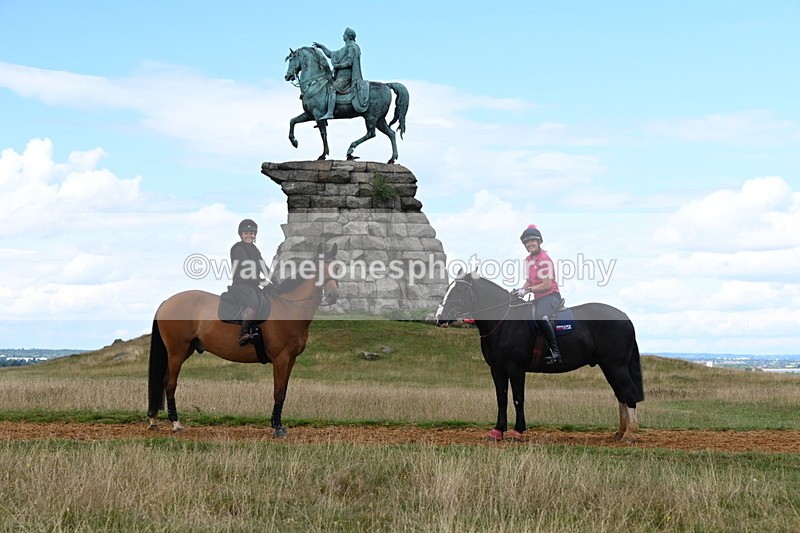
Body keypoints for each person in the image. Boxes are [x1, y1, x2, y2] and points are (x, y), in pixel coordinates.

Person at [517, 224, 562, 364]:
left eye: (532, 241)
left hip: (550, 295)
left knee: (541, 317)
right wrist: (520, 291)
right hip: (538, 297)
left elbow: (546, 285)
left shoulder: (544, 260)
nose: (529, 244)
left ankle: (555, 352)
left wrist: (528, 290)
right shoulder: (528, 260)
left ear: (539, 242)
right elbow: (529, 281)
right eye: (527, 242)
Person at [313, 27, 369, 119]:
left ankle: (330, 113)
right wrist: (322, 47)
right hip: (340, 76)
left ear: (348, 36)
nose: (342, 36)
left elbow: (350, 62)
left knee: (332, 88)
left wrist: (338, 66)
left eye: (344, 34)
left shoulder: (353, 47)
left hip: (346, 77)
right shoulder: (345, 48)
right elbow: (331, 54)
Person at [230, 219, 269, 346]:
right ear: (241, 234)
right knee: (254, 304)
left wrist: (274, 280)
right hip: (241, 285)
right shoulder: (238, 248)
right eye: (246, 233)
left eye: (252, 233)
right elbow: (246, 268)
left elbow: (263, 266)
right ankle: (243, 333)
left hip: (253, 285)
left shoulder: (254, 249)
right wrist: (260, 280)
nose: (249, 235)